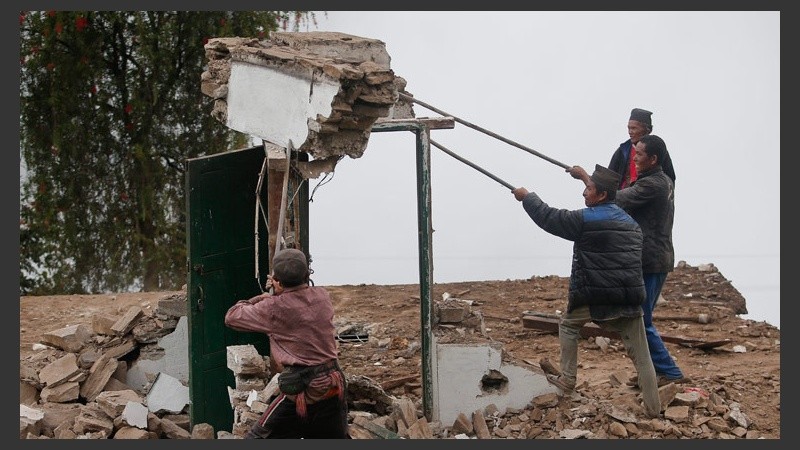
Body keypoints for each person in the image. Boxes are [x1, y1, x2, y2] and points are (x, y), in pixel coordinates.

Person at [511, 165, 661, 418]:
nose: (584, 193)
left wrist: (527, 198)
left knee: (568, 324)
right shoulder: (631, 224)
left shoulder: (585, 220)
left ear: (601, 195)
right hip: (630, 298)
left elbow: (550, 218)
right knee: (642, 356)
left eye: (588, 189)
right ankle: (654, 410)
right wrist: (583, 176)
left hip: (597, 297)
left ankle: (568, 379)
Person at [569, 134, 688, 387]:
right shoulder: (659, 180)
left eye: (640, 155)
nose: (634, 158)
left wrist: (586, 179)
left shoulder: (653, 184)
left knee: (641, 320)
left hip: (651, 260)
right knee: (640, 319)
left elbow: (616, 199)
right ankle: (655, 371)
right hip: (654, 257)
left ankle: (670, 372)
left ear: (653, 159)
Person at [224, 248, 350, 439]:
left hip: (305, 388)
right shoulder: (322, 296)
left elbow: (232, 317)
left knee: (258, 437)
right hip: (333, 383)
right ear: (307, 274)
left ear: (277, 281)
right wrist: (279, 292)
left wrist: (264, 297)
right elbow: (296, 308)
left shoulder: (273, 307)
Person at [609, 108, 675, 189]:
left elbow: (670, 180)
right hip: (622, 197)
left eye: (634, 128)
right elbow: (609, 178)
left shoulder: (658, 151)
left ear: (648, 130)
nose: (630, 132)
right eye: (629, 128)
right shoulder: (623, 150)